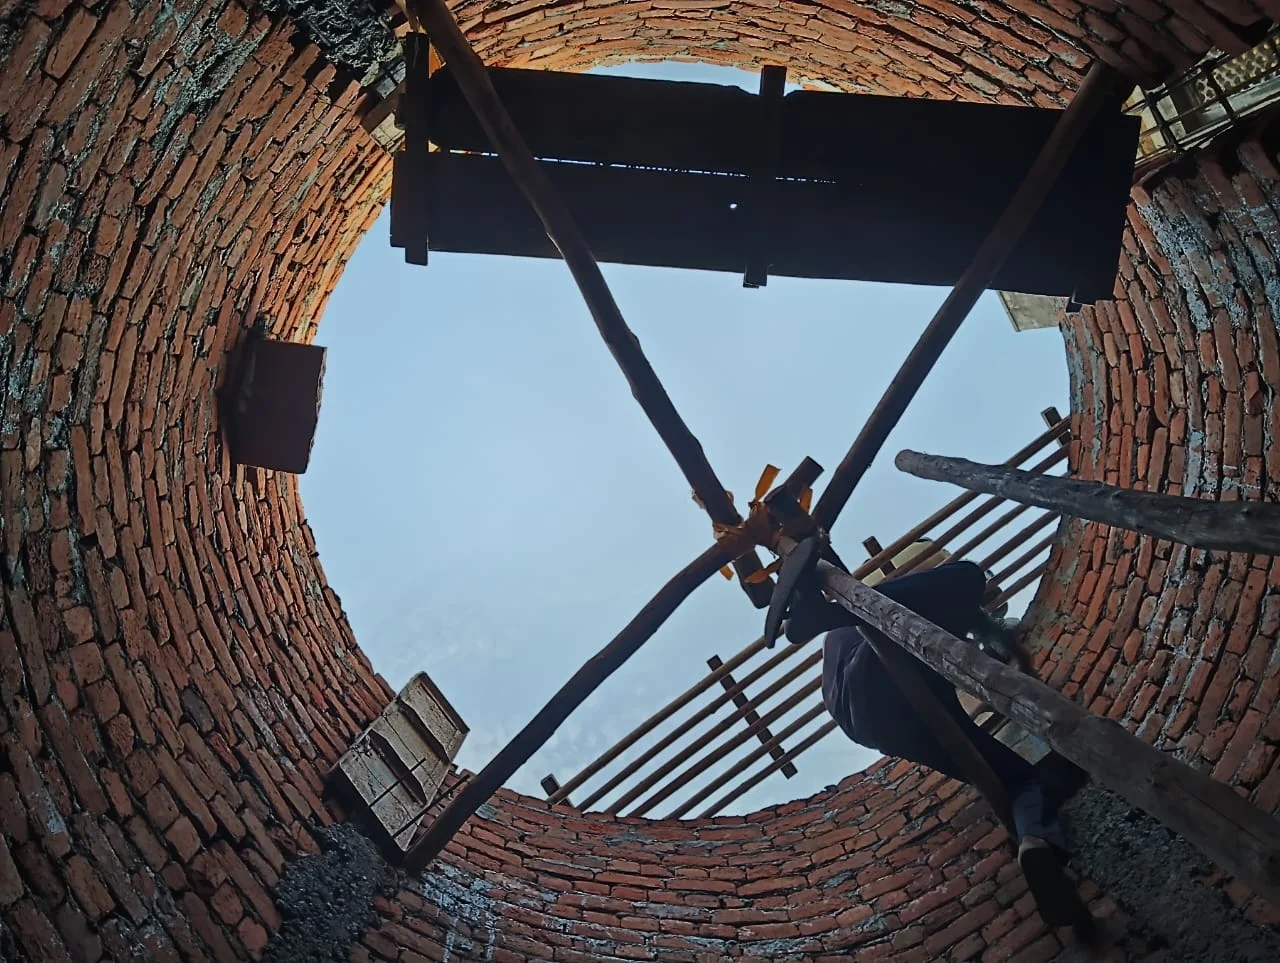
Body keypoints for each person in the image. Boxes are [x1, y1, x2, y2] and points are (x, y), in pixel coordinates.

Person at [798, 559, 1085, 928]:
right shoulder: (877, 609)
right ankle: (825, 613)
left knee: (1019, 781)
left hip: (873, 724)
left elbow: (987, 651)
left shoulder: (848, 639)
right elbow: (992, 638)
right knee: (967, 576)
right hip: (873, 662)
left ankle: (1035, 842)